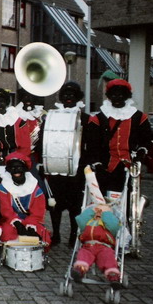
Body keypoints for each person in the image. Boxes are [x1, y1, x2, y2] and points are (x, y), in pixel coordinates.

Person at [85, 79, 152, 196]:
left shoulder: (139, 117)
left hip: (128, 166)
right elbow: (92, 143)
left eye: (121, 95)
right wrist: (97, 163)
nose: (117, 98)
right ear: (109, 96)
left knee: (127, 198)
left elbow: (146, 140)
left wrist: (140, 155)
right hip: (105, 166)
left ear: (126, 96)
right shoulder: (99, 118)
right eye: (113, 95)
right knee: (103, 201)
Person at [46, 82, 90, 247]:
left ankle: (73, 235)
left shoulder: (85, 119)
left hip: (76, 171)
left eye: (72, 95)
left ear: (78, 97)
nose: (68, 98)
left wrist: (85, 164)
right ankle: (56, 234)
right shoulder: (52, 116)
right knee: (55, 206)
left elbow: (91, 144)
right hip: (56, 168)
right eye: (65, 94)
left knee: (75, 207)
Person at [0, 153, 51, 246]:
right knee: (7, 234)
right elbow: (5, 210)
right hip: (11, 221)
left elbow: (38, 213)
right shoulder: (3, 188)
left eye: (19, 167)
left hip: (31, 220)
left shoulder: (35, 188)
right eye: (13, 168)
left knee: (43, 237)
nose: (16, 170)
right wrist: (17, 223)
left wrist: (30, 225)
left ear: (25, 169)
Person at [0, 88, 30, 183]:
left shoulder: (18, 121)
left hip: (17, 159)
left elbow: (26, 144)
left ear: (6, 103)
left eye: (2, 102)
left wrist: (19, 159)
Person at [71, 202, 122, 289]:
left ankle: (112, 275)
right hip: (88, 245)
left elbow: (114, 226)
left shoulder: (109, 223)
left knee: (107, 257)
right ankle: (80, 269)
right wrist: (92, 210)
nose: (100, 211)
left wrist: (106, 213)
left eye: (102, 210)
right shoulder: (89, 221)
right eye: (98, 209)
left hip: (104, 246)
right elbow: (80, 220)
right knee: (83, 255)